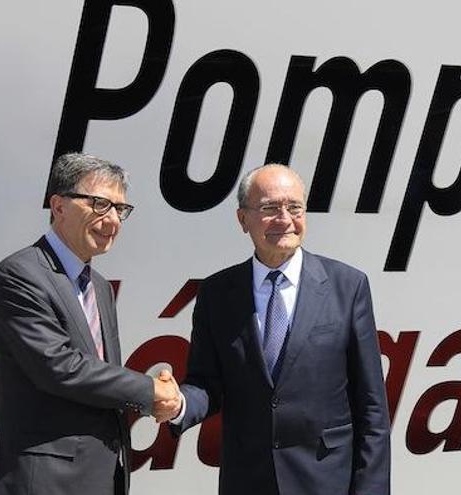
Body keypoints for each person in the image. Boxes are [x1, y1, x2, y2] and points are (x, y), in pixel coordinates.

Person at [165, 164, 391, 494]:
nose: (284, 219)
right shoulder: (216, 293)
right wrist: (178, 404)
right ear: (243, 219)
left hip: (326, 481)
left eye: (294, 207)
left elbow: (372, 406)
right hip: (247, 481)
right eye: (270, 208)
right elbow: (206, 383)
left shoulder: (348, 286)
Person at [0, 152, 180, 495]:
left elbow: (100, 374)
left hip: (102, 475)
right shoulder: (20, 274)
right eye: (100, 204)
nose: (113, 220)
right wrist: (149, 391)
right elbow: (59, 366)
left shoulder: (99, 286)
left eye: (121, 210)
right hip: (45, 480)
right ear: (59, 206)